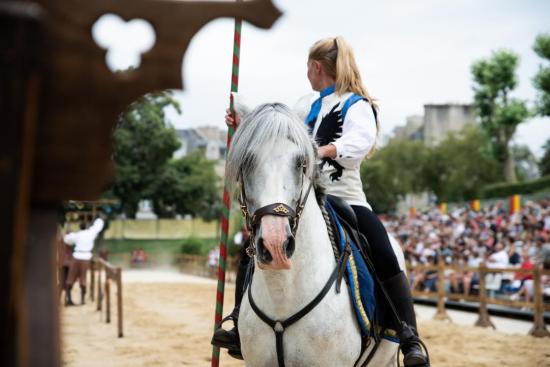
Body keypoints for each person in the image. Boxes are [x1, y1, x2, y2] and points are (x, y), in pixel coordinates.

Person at [212, 36, 429, 366]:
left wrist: (320, 150)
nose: (307, 75)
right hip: (305, 198)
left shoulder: (356, 104)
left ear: (316, 67)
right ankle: (240, 324)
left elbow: (360, 143)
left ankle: (408, 336)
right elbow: (282, 147)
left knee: (382, 248)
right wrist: (244, 126)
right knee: (252, 249)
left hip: (347, 197)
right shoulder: (310, 108)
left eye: (308, 69)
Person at [64, 216, 105, 305]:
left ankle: (68, 299)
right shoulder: (90, 233)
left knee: (71, 278)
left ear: (80, 227)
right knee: (83, 279)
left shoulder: (77, 235)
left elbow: (67, 240)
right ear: (87, 226)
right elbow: (98, 226)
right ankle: (82, 300)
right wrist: (100, 219)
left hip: (77, 256)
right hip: (86, 257)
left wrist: (68, 233)